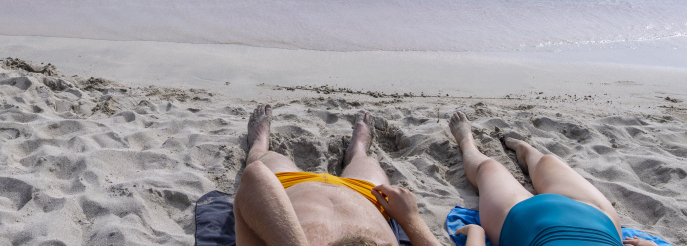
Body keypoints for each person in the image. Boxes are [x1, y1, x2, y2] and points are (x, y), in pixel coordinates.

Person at [234, 105, 443, 246]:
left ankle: (259, 141)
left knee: (261, 157)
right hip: (367, 196)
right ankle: (358, 148)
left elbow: (256, 176)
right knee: (366, 161)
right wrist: (411, 220)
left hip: (284, 193)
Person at [448, 111, 659, 246]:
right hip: (595, 219)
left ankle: (467, 141)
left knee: (488, 169)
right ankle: (525, 151)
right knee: (548, 162)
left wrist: (475, 232)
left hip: (523, 221)